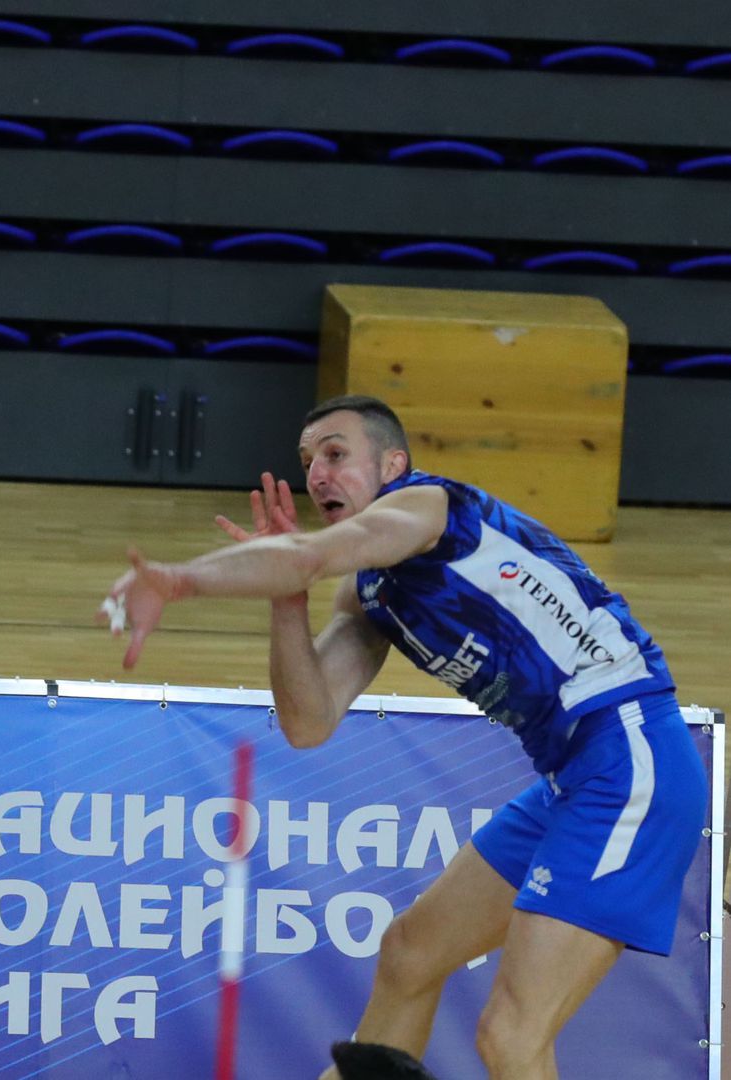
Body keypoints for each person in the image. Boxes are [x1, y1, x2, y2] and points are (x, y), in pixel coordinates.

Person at [102, 395, 706, 1080]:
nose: (318, 475)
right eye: (307, 464)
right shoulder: (370, 593)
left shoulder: (428, 509)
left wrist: (180, 580)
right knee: (410, 954)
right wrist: (286, 599)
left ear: (392, 464)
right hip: (569, 779)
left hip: (631, 761)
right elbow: (309, 721)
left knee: (511, 1036)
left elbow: (308, 555)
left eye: (335, 454)